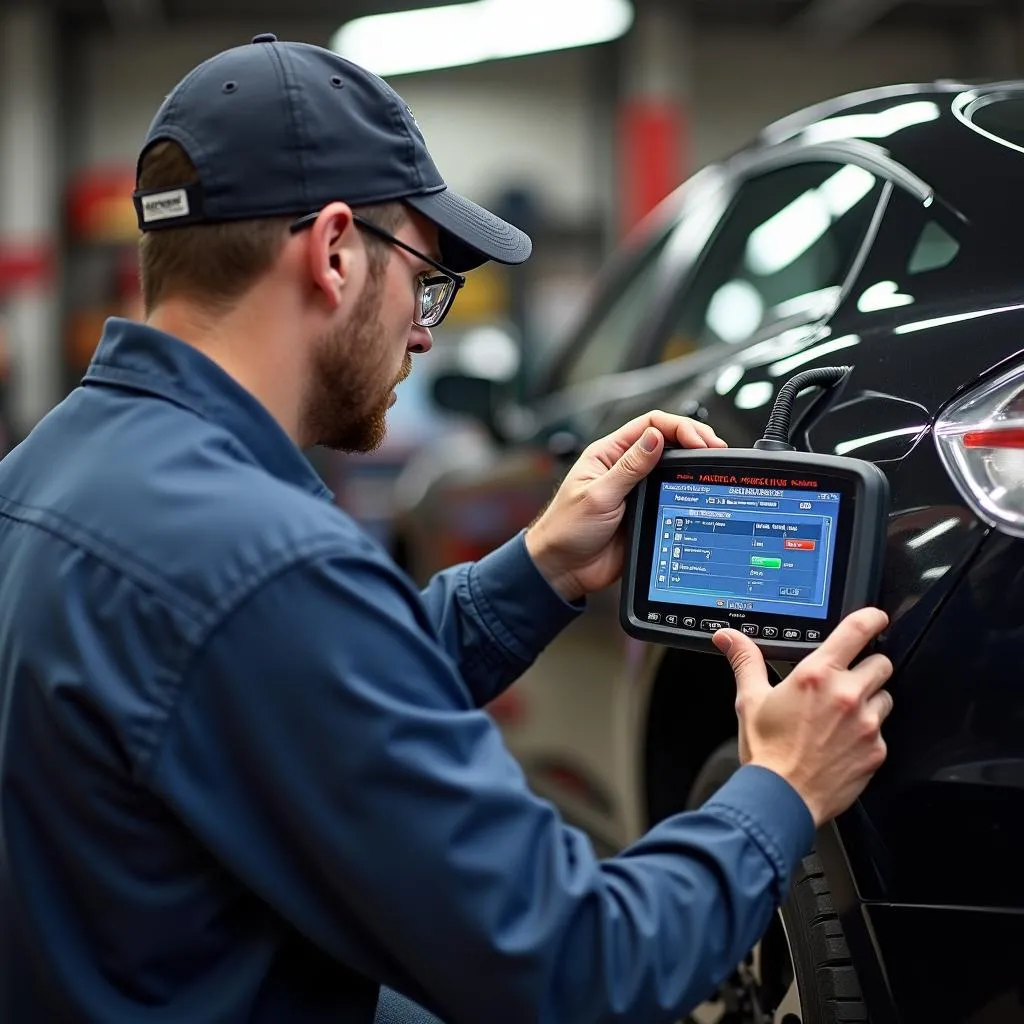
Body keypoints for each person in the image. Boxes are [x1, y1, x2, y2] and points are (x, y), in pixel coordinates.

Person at [0, 35, 893, 1024]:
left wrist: (539, 568)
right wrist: (779, 788)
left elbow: (285, 695)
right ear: (333, 250)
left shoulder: (45, 475)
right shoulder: (265, 561)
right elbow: (578, 963)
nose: (425, 329)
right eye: (426, 276)